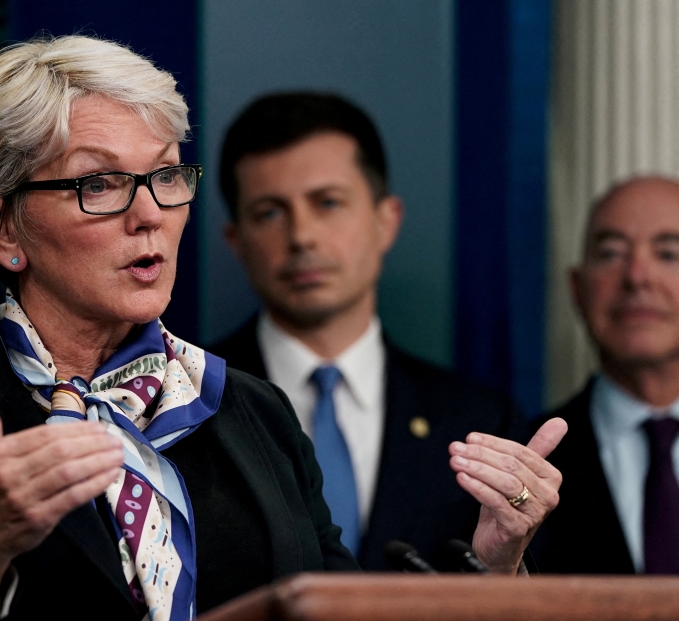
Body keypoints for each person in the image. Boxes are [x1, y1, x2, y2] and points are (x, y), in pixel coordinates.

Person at [0, 35, 565, 621]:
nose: (149, 213)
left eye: (165, 175)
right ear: (1, 227)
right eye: (100, 183)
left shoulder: (252, 411)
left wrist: (493, 566)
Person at [210, 93, 531, 570]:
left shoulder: (479, 421)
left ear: (386, 221)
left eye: (328, 203)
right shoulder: (185, 404)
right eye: (269, 213)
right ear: (236, 241)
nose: (302, 236)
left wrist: (505, 566)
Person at [533, 176, 679, 574]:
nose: (637, 277)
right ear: (577, 288)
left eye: (668, 254)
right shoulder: (525, 461)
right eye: (611, 254)